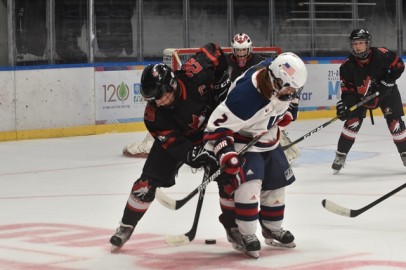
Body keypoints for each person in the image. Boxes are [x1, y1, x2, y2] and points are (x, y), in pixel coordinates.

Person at [109, 43, 232, 251]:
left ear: (172, 85)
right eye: (153, 99)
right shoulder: (153, 115)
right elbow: (174, 143)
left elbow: (214, 50)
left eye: (161, 96)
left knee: (229, 175)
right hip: (181, 139)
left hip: (211, 130)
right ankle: (126, 226)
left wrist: (221, 80)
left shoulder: (195, 74)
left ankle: (234, 228)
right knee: (145, 185)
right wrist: (194, 155)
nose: (159, 102)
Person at [204, 52, 308, 258]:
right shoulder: (246, 96)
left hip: (268, 137)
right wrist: (225, 151)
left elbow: (286, 98)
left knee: (276, 183)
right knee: (249, 186)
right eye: (289, 88)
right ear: (275, 81)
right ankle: (247, 234)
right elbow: (215, 128)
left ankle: (271, 228)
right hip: (244, 140)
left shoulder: (279, 76)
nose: (293, 93)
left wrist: (285, 113)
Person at [332, 29, 406, 174]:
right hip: (361, 97)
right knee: (352, 122)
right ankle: (341, 154)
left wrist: (388, 82)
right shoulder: (347, 66)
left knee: (395, 123)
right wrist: (345, 107)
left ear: (368, 44)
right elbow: (347, 92)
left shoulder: (382, 54)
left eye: (361, 43)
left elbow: (399, 66)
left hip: (387, 93)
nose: (358, 47)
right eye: (355, 44)